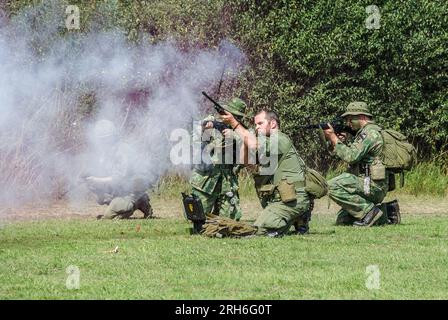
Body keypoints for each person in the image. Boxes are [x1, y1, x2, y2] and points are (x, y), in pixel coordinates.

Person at [221, 108, 311, 237]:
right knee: (263, 226)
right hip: (282, 198)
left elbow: (253, 145)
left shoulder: (279, 139)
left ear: (273, 124)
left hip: (294, 197)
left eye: (260, 123)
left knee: (260, 230)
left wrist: (234, 124)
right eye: (255, 124)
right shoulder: (266, 142)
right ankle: (298, 219)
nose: (256, 127)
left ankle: (298, 216)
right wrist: (245, 138)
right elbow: (246, 162)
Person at [322, 101, 395, 227]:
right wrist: (339, 141)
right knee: (343, 220)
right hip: (369, 183)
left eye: (350, 119)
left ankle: (370, 212)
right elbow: (350, 153)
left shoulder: (369, 134)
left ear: (361, 116)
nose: (348, 123)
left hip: (371, 185)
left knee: (331, 186)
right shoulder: (365, 133)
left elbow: (351, 157)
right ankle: (389, 212)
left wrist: (333, 138)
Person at [189, 98, 247, 220]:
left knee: (231, 218)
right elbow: (194, 139)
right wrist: (205, 130)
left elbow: (251, 143)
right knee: (196, 216)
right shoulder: (211, 121)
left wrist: (235, 136)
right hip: (206, 178)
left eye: (238, 117)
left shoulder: (240, 130)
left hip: (227, 179)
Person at [84, 119, 153, 220]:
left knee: (108, 217)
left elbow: (119, 177)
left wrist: (96, 180)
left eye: (103, 139)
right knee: (96, 186)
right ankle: (134, 202)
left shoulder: (123, 150)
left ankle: (139, 201)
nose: (101, 143)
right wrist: (91, 180)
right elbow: (106, 173)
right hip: (120, 189)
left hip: (130, 190)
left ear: (110, 138)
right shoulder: (107, 152)